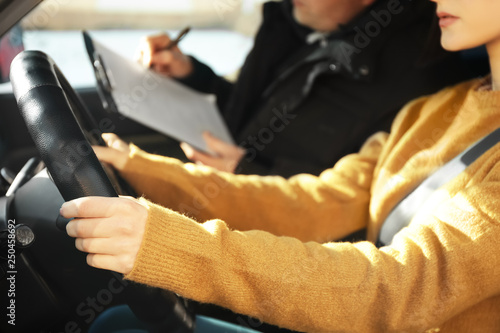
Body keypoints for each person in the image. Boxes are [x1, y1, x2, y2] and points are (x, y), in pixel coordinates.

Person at [61, 0, 500, 331]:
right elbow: (315, 202)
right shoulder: (435, 107)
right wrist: (141, 169)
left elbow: (398, 285)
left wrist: (175, 247)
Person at [138, 0, 472, 177]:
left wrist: (247, 171)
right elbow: (252, 116)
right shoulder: (293, 26)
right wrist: (190, 74)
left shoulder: (416, 76)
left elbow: (361, 195)